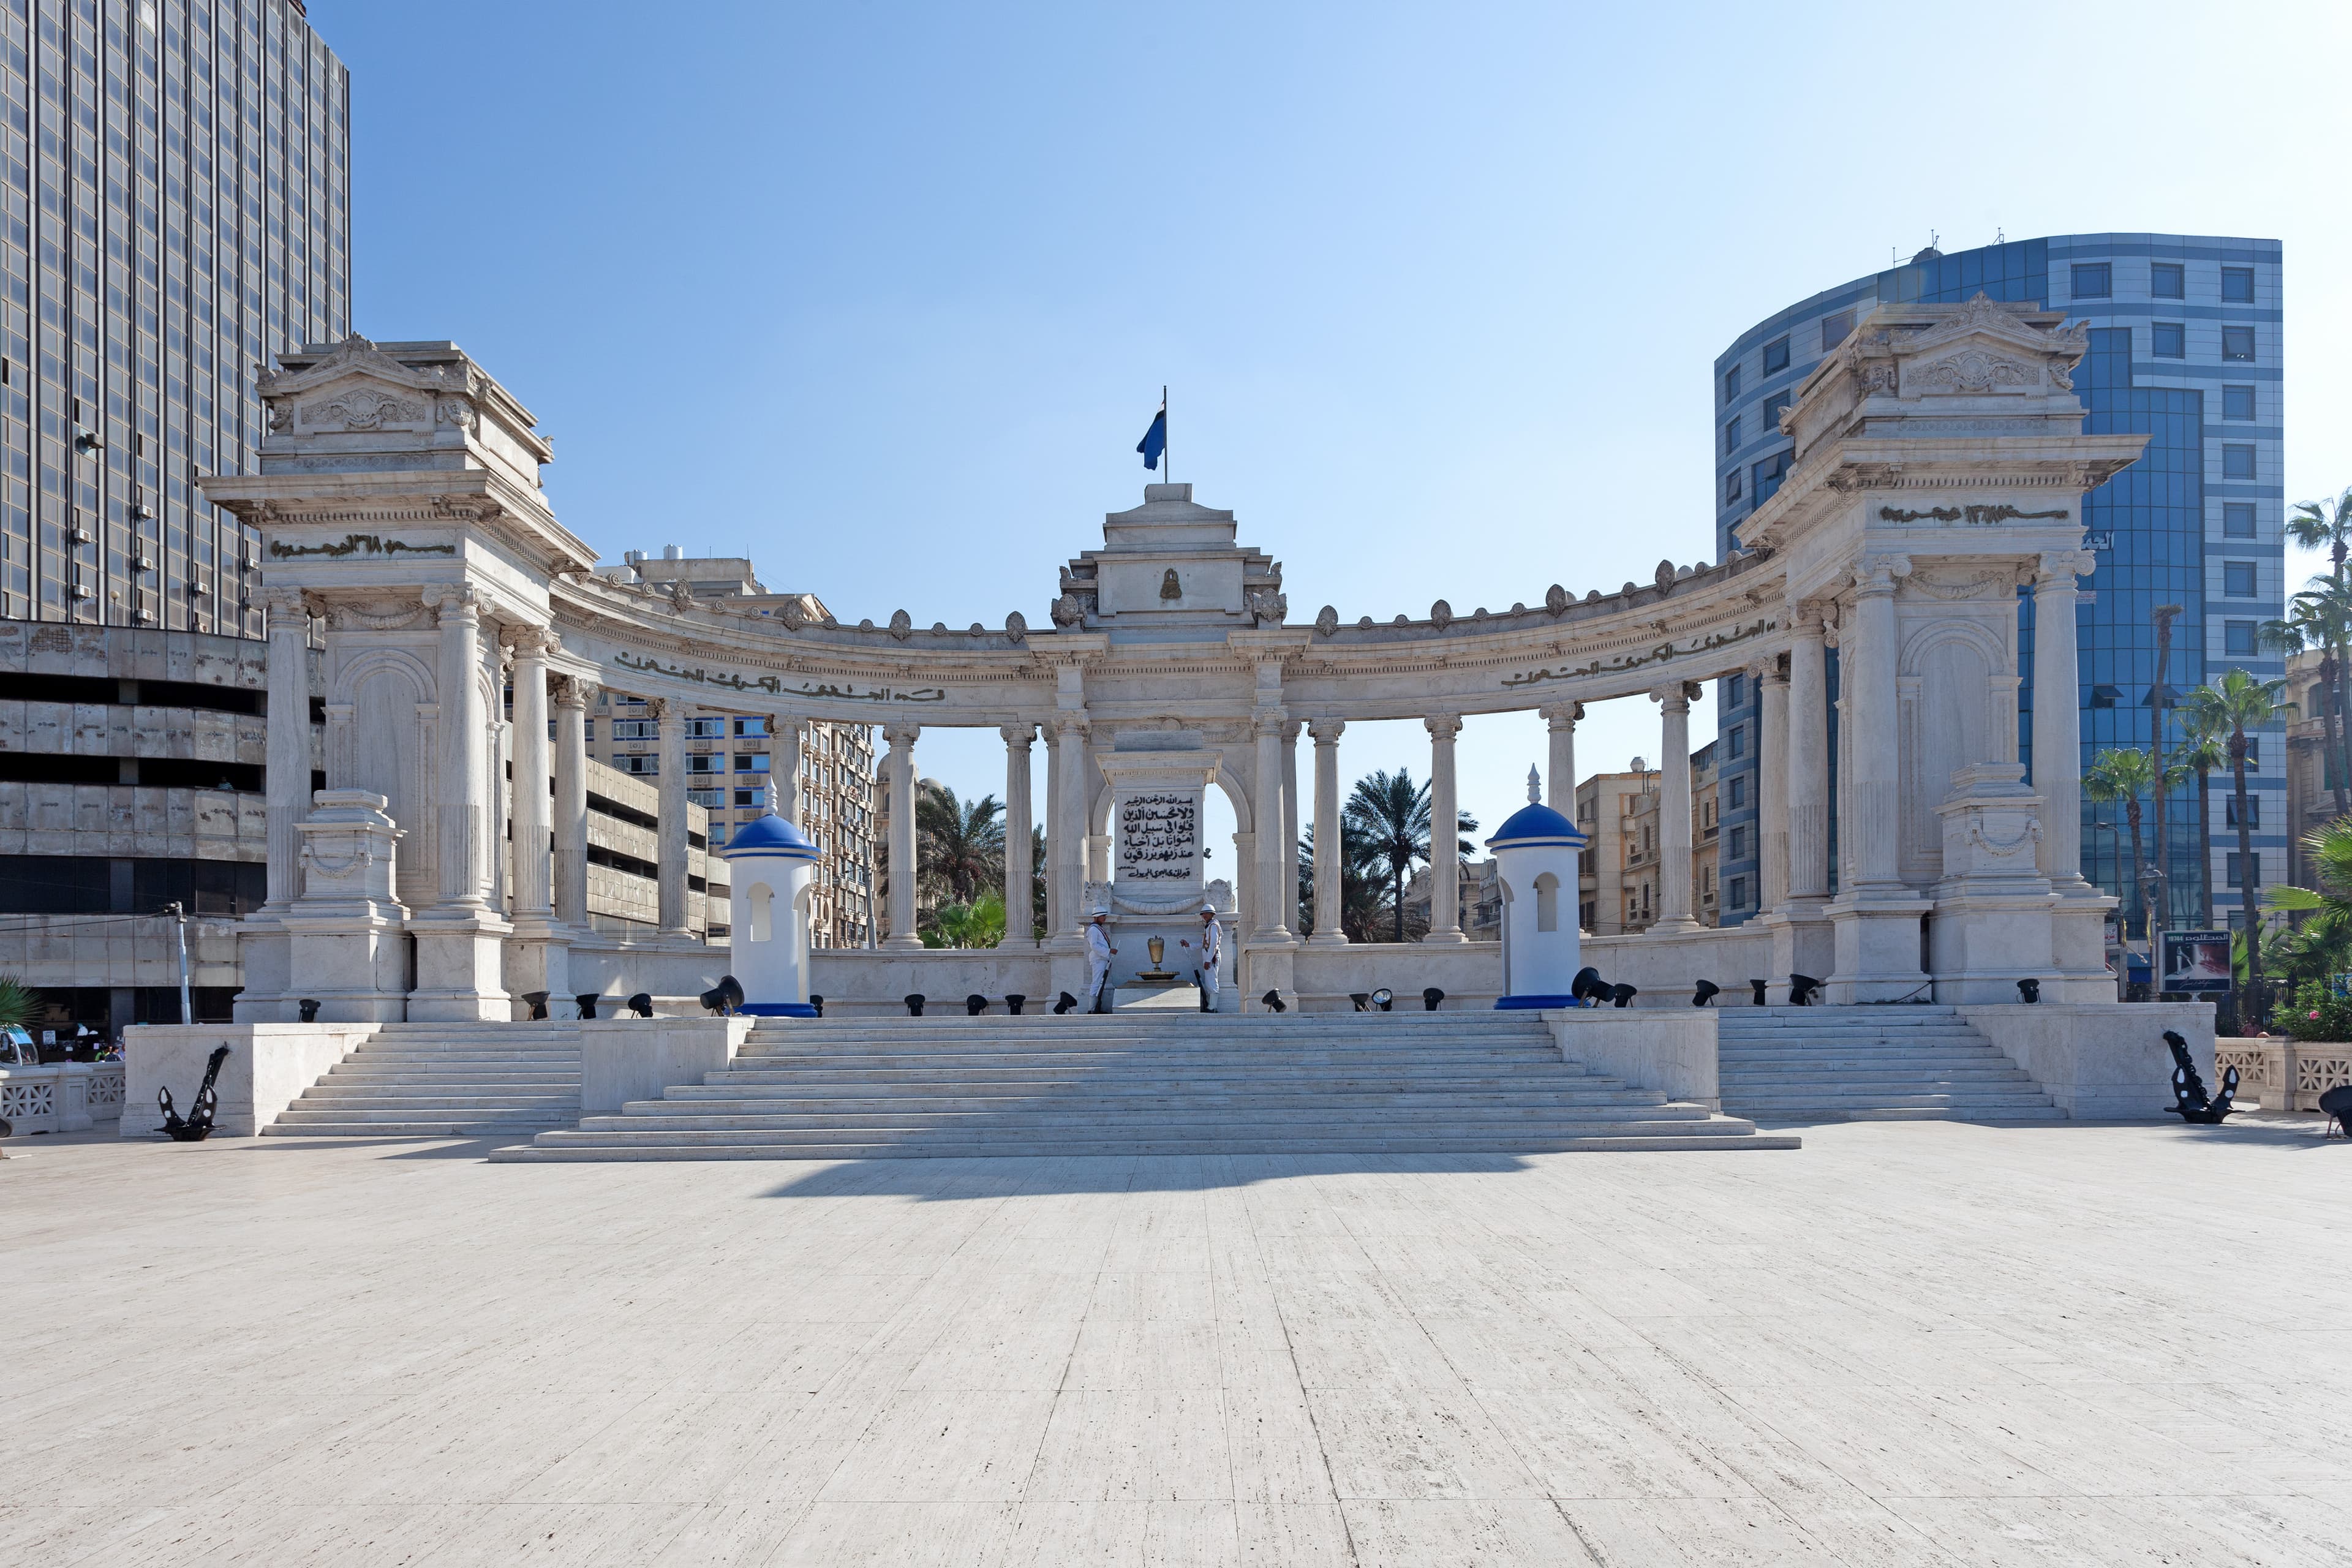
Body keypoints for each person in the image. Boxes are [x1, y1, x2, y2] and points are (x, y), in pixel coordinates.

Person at [1183, 902, 1222, 1013]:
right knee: (1209, 981)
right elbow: (1204, 944)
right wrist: (1189, 945)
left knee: (1212, 982)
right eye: (1203, 914)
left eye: (1206, 914)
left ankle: (1213, 1007)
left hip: (1212, 958)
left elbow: (1213, 944)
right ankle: (1211, 1005)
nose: (1204, 916)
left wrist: (1208, 960)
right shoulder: (1209, 926)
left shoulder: (1213, 926)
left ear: (1212, 914)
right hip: (1209, 956)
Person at [1085, 909, 1117, 1013]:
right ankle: (1092, 1009)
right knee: (1096, 983)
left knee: (1100, 984)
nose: (1105, 918)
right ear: (1097, 917)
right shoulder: (1093, 930)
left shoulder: (1098, 929)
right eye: (1103, 916)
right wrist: (1109, 951)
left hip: (1102, 959)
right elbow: (1094, 945)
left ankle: (1097, 1008)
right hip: (1098, 959)